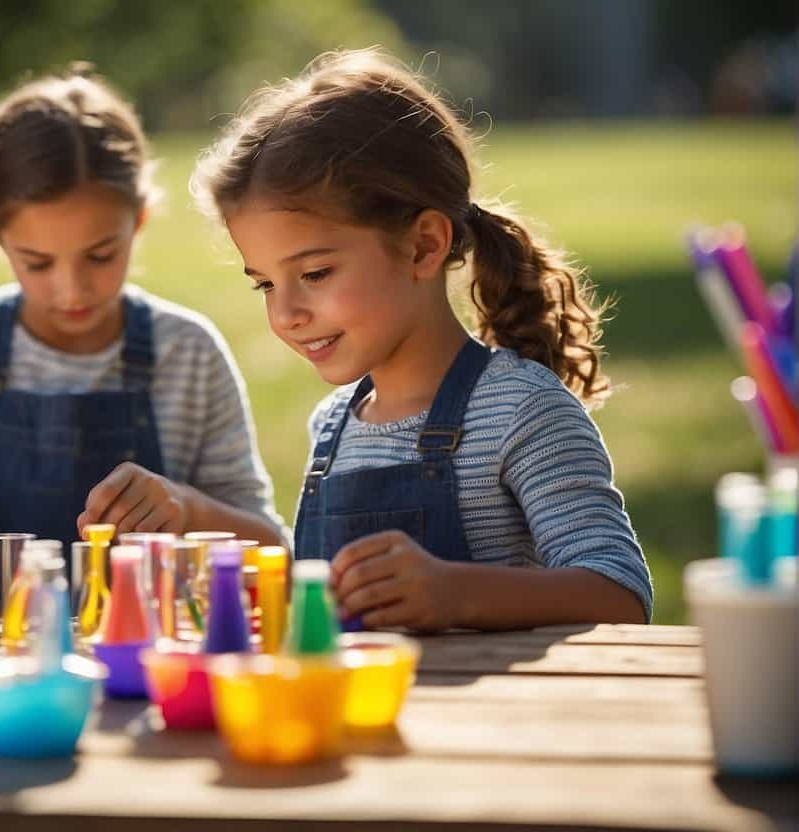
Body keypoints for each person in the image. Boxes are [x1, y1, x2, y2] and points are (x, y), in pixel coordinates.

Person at [191, 49, 651, 631]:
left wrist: (454, 594)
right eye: (264, 283)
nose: (285, 314)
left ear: (423, 247)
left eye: (314, 275)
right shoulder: (334, 427)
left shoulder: (522, 411)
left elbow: (620, 594)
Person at [0, 66, 284, 550]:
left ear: (140, 219)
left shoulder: (188, 353)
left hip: (138, 628)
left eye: (100, 255)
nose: (72, 291)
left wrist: (189, 509)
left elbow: (274, 544)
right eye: (38, 263)